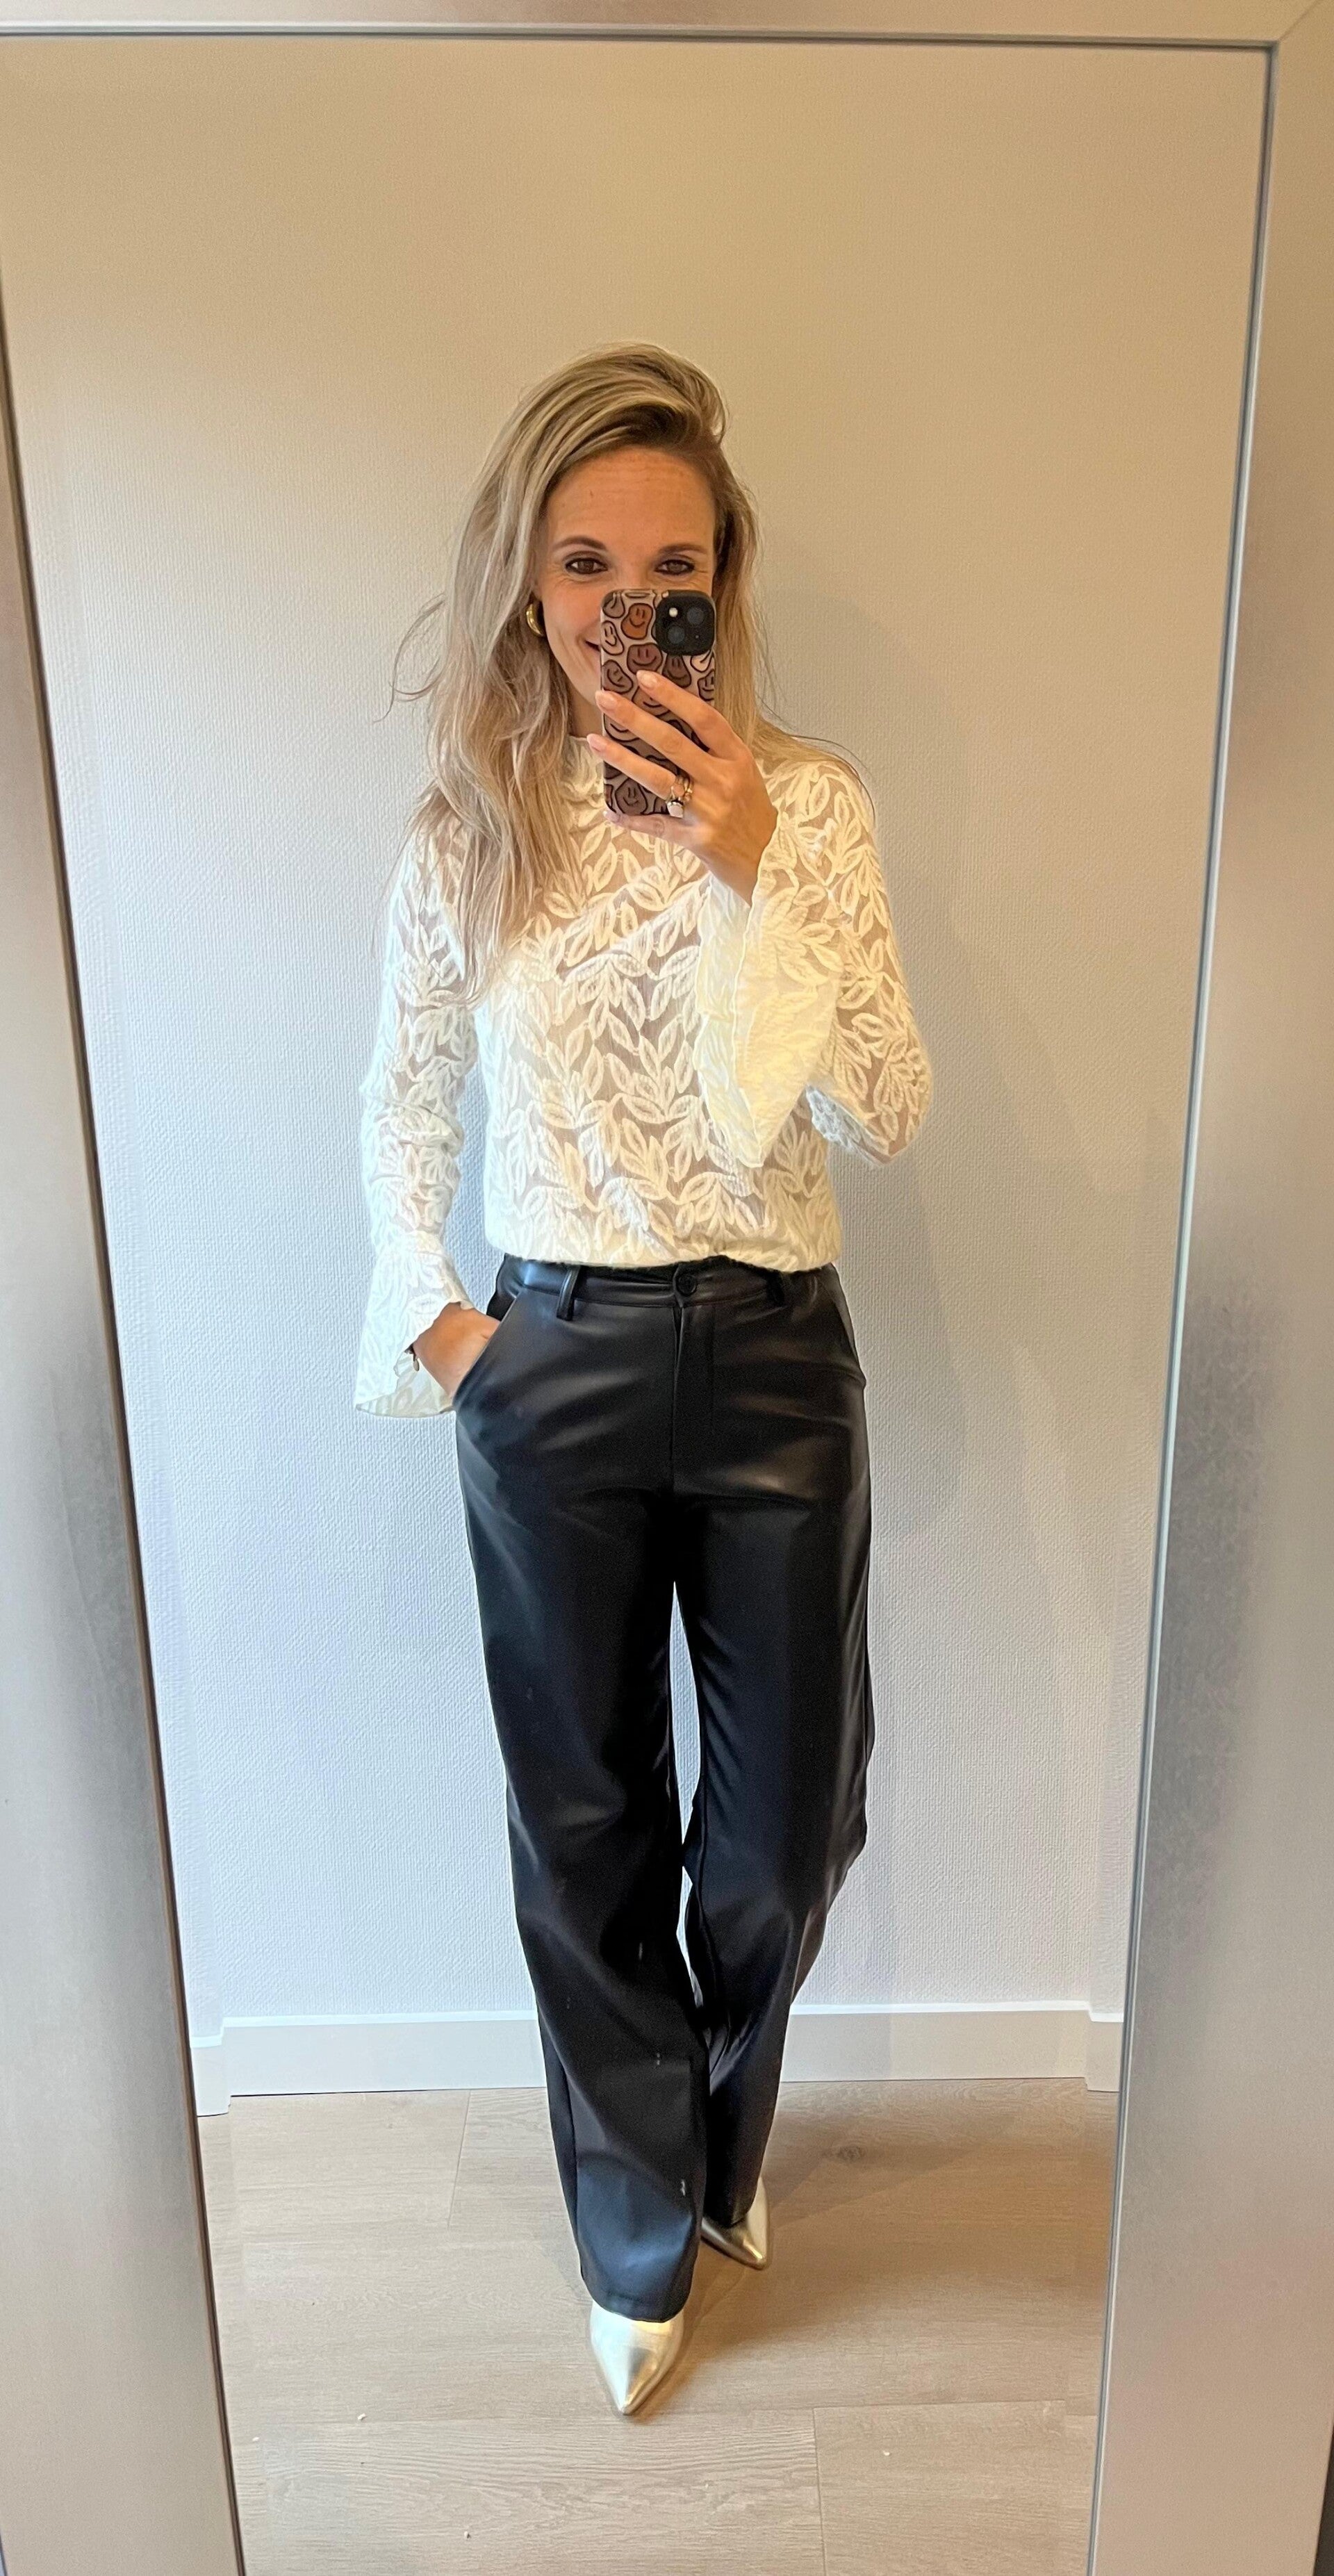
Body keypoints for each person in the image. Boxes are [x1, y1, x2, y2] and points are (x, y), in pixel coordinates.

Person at [354, 341, 932, 2415]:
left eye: (667, 571)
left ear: (722, 581)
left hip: (776, 1364)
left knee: (786, 1832)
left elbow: (885, 1109)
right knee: (583, 1819)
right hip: (557, 1368)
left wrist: (757, 854)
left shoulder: (815, 807)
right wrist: (449, 1329)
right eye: (584, 564)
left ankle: (707, 2121)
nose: (624, 609)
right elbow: (400, 1108)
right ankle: (638, 2217)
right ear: (526, 580)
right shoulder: (468, 831)